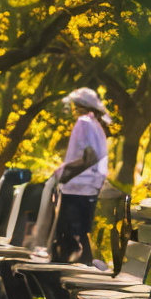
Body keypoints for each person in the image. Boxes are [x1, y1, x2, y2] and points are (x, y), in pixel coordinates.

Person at [52, 86, 112, 265]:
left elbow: (89, 157)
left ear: (80, 105)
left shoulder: (84, 123)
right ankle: (82, 274)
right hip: (89, 189)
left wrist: (65, 172)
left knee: (68, 238)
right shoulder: (96, 125)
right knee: (82, 237)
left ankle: (61, 280)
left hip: (77, 189)